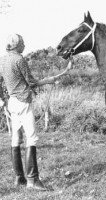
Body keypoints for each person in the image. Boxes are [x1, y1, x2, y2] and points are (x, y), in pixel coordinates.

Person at [0, 33, 73, 191]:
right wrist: (50, 79)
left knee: (15, 139)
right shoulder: (19, 59)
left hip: (12, 102)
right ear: (16, 45)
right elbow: (31, 82)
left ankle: (19, 178)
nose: (25, 45)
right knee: (31, 138)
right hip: (23, 102)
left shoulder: (4, 59)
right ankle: (32, 179)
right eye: (23, 43)